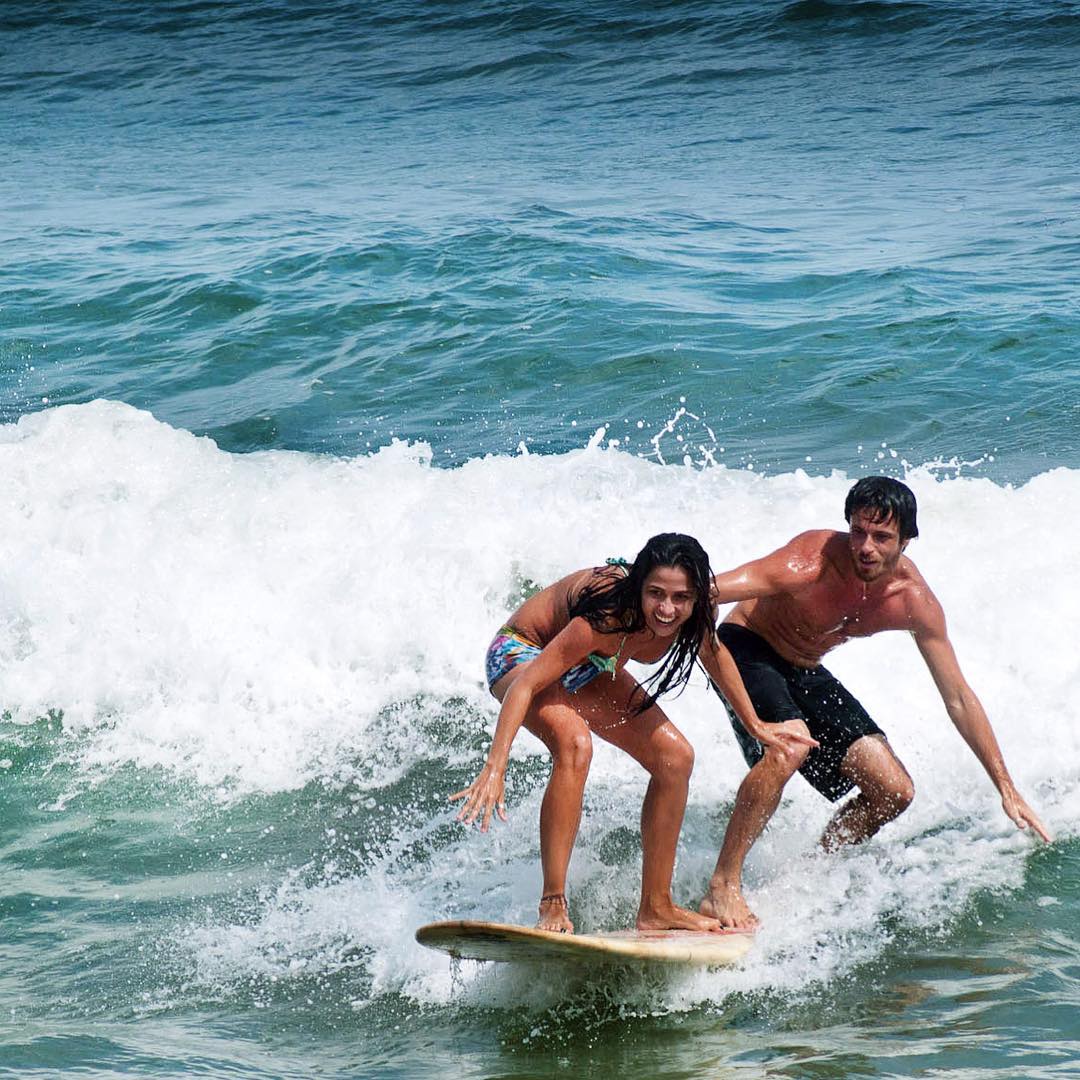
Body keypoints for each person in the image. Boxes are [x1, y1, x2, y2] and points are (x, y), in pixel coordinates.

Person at [701, 476, 1051, 930]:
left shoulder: (912, 601)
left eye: (881, 537)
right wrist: (703, 647)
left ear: (907, 540)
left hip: (804, 666)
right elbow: (707, 590)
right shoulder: (810, 562)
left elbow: (959, 698)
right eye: (857, 532)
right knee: (790, 745)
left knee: (894, 791)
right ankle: (722, 888)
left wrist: (1005, 787)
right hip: (746, 646)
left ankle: (806, 876)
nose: (865, 547)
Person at [451, 532, 773, 935]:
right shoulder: (608, 616)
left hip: (587, 663)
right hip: (523, 653)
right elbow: (527, 685)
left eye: (680, 598)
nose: (667, 609)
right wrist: (495, 765)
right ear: (638, 585)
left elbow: (715, 654)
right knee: (574, 744)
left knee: (676, 758)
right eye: (655, 593)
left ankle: (656, 907)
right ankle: (552, 902)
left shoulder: (692, 614)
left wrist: (756, 724)